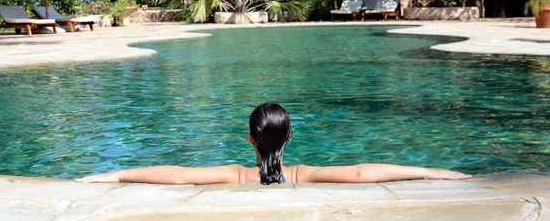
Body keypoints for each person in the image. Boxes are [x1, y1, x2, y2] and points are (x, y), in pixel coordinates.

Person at [76, 103, 472, 185]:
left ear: (249, 139)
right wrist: (430, 170)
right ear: (291, 136)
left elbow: (178, 176)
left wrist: (114, 173)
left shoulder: (236, 176)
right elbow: (362, 172)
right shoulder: (303, 175)